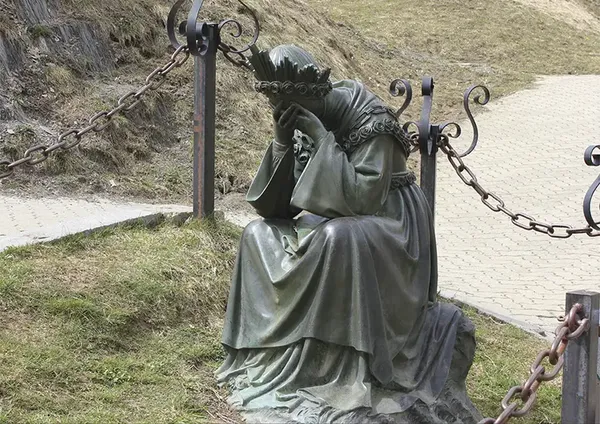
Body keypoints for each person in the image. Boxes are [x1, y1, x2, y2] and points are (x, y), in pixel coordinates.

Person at [216, 44, 466, 422]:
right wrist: (283, 140)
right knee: (257, 235)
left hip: (391, 222)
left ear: (316, 95)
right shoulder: (303, 119)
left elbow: (363, 199)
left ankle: (338, 369)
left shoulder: (371, 118)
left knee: (340, 238)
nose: (289, 116)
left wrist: (321, 138)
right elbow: (276, 209)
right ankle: (272, 358)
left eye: (293, 110)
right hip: (335, 215)